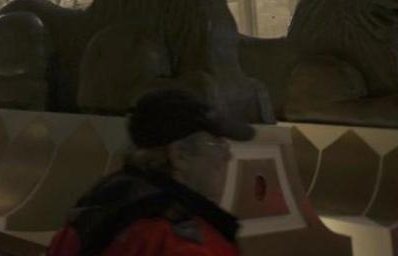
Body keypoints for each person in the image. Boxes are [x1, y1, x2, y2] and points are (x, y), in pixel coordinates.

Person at [48, 89, 253, 256]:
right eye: (217, 143)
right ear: (180, 155)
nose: (227, 156)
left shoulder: (91, 216)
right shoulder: (182, 244)